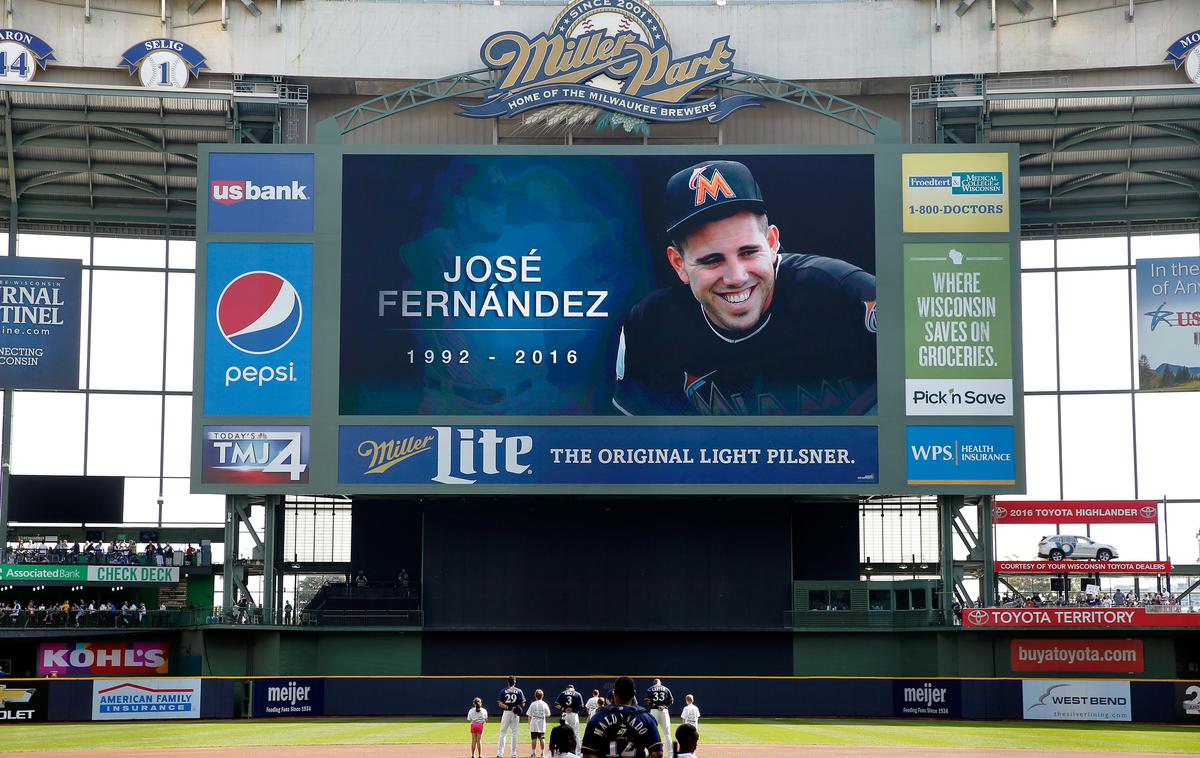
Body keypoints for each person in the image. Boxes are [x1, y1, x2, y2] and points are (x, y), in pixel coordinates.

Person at [613, 159, 877, 417]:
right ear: (679, 263)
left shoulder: (845, 294)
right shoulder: (651, 327)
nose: (736, 277)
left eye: (749, 252)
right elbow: (640, 447)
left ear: (772, 243)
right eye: (712, 260)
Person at [581, 676, 663, 758]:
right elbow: (657, 753)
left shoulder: (597, 717)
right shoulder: (645, 718)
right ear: (634, 694)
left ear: (614, 694)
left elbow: (588, 754)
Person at [496, 675, 527, 758]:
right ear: (515, 682)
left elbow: (500, 704)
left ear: (508, 682)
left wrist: (509, 707)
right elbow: (523, 703)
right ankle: (513, 754)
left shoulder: (503, 691)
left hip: (506, 713)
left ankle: (500, 754)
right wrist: (517, 707)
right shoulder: (519, 691)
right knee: (514, 733)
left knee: (503, 733)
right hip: (515, 714)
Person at [643, 679, 673, 751]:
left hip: (654, 711)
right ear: (660, 683)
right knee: (667, 733)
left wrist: (656, 706)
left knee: (650, 732)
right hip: (664, 711)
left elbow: (646, 700)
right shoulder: (666, 689)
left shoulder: (650, 689)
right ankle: (671, 754)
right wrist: (664, 706)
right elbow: (671, 700)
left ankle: (648, 752)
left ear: (654, 683)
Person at [528, 688, 553, 757]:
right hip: (541, 725)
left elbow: (529, 715)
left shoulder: (532, 704)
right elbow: (548, 714)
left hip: (533, 725)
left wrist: (529, 724)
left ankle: (533, 753)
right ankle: (542, 753)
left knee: (533, 739)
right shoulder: (544, 704)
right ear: (542, 696)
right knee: (542, 738)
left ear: (535, 696)